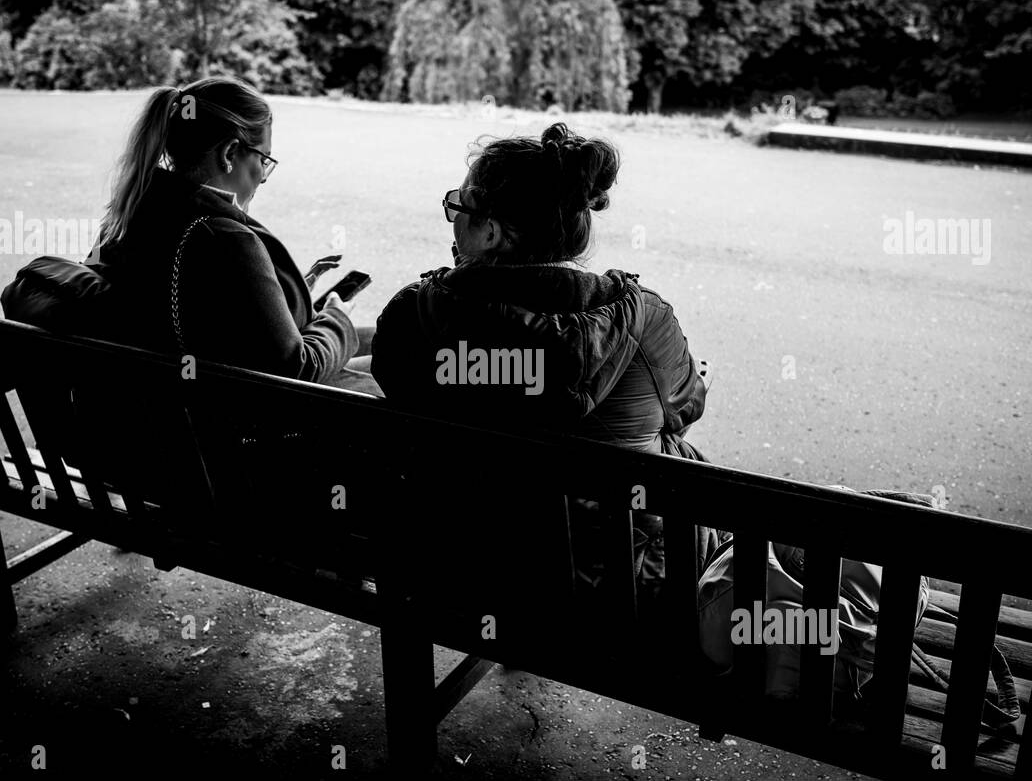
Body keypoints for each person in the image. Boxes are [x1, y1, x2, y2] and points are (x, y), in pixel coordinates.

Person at [371, 122, 722, 615]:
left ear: (491, 231)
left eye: (459, 207)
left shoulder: (413, 318)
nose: (451, 216)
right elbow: (684, 409)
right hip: (622, 592)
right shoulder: (645, 318)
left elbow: (407, 391)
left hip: (456, 567)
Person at [88, 77, 376, 392]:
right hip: (237, 420)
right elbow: (296, 367)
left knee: (385, 342)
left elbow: (211, 308)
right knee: (407, 365)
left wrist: (285, 293)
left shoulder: (128, 215)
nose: (264, 177)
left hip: (159, 401)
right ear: (229, 152)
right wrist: (337, 317)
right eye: (263, 159)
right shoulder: (223, 238)